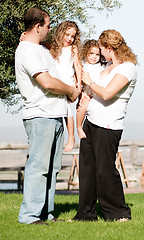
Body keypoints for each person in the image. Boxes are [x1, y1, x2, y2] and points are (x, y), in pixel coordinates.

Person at [15, 8, 80, 225]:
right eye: (48, 25)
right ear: (37, 27)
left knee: (52, 170)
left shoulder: (40, 49)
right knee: (39, 168)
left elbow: (57, 65)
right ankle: (29, 216)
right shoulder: (28, 50)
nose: (50, 28)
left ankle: (46, 214)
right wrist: (71, 91)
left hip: (55, 116)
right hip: (40, 116)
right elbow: (47, 82)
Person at [72, 29, 137, 222]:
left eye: (101, 48)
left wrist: (89, 82)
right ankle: (85, 214)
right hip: (90, 123)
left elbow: (108, 93)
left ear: (109, 47)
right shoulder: (107, 66)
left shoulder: (127, 68)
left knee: (104, 170)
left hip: (108, 126)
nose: (100, 52)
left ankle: (119, 213)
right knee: (87, 169)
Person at [49, 21, 82, 152]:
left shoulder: (73, 49)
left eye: (72, 36)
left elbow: (78, 66)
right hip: (56, 82)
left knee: (68, 111)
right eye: (67, 34)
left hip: (68, 83)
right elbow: (38, 44)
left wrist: (78, 84)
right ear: (60, 33)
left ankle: (71, 137)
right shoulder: (53, 47)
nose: (69, 38)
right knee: (56, 108)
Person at [76, 40, 105, 139]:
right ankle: (79, 127)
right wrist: (81, 94)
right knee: (83, 107)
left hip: (97, 94)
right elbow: (79, 81)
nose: (94, 56)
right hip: (87, 93)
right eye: (91, 53)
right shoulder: (84, 66)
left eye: (97, 54)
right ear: (86, 53)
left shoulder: (101, 67)